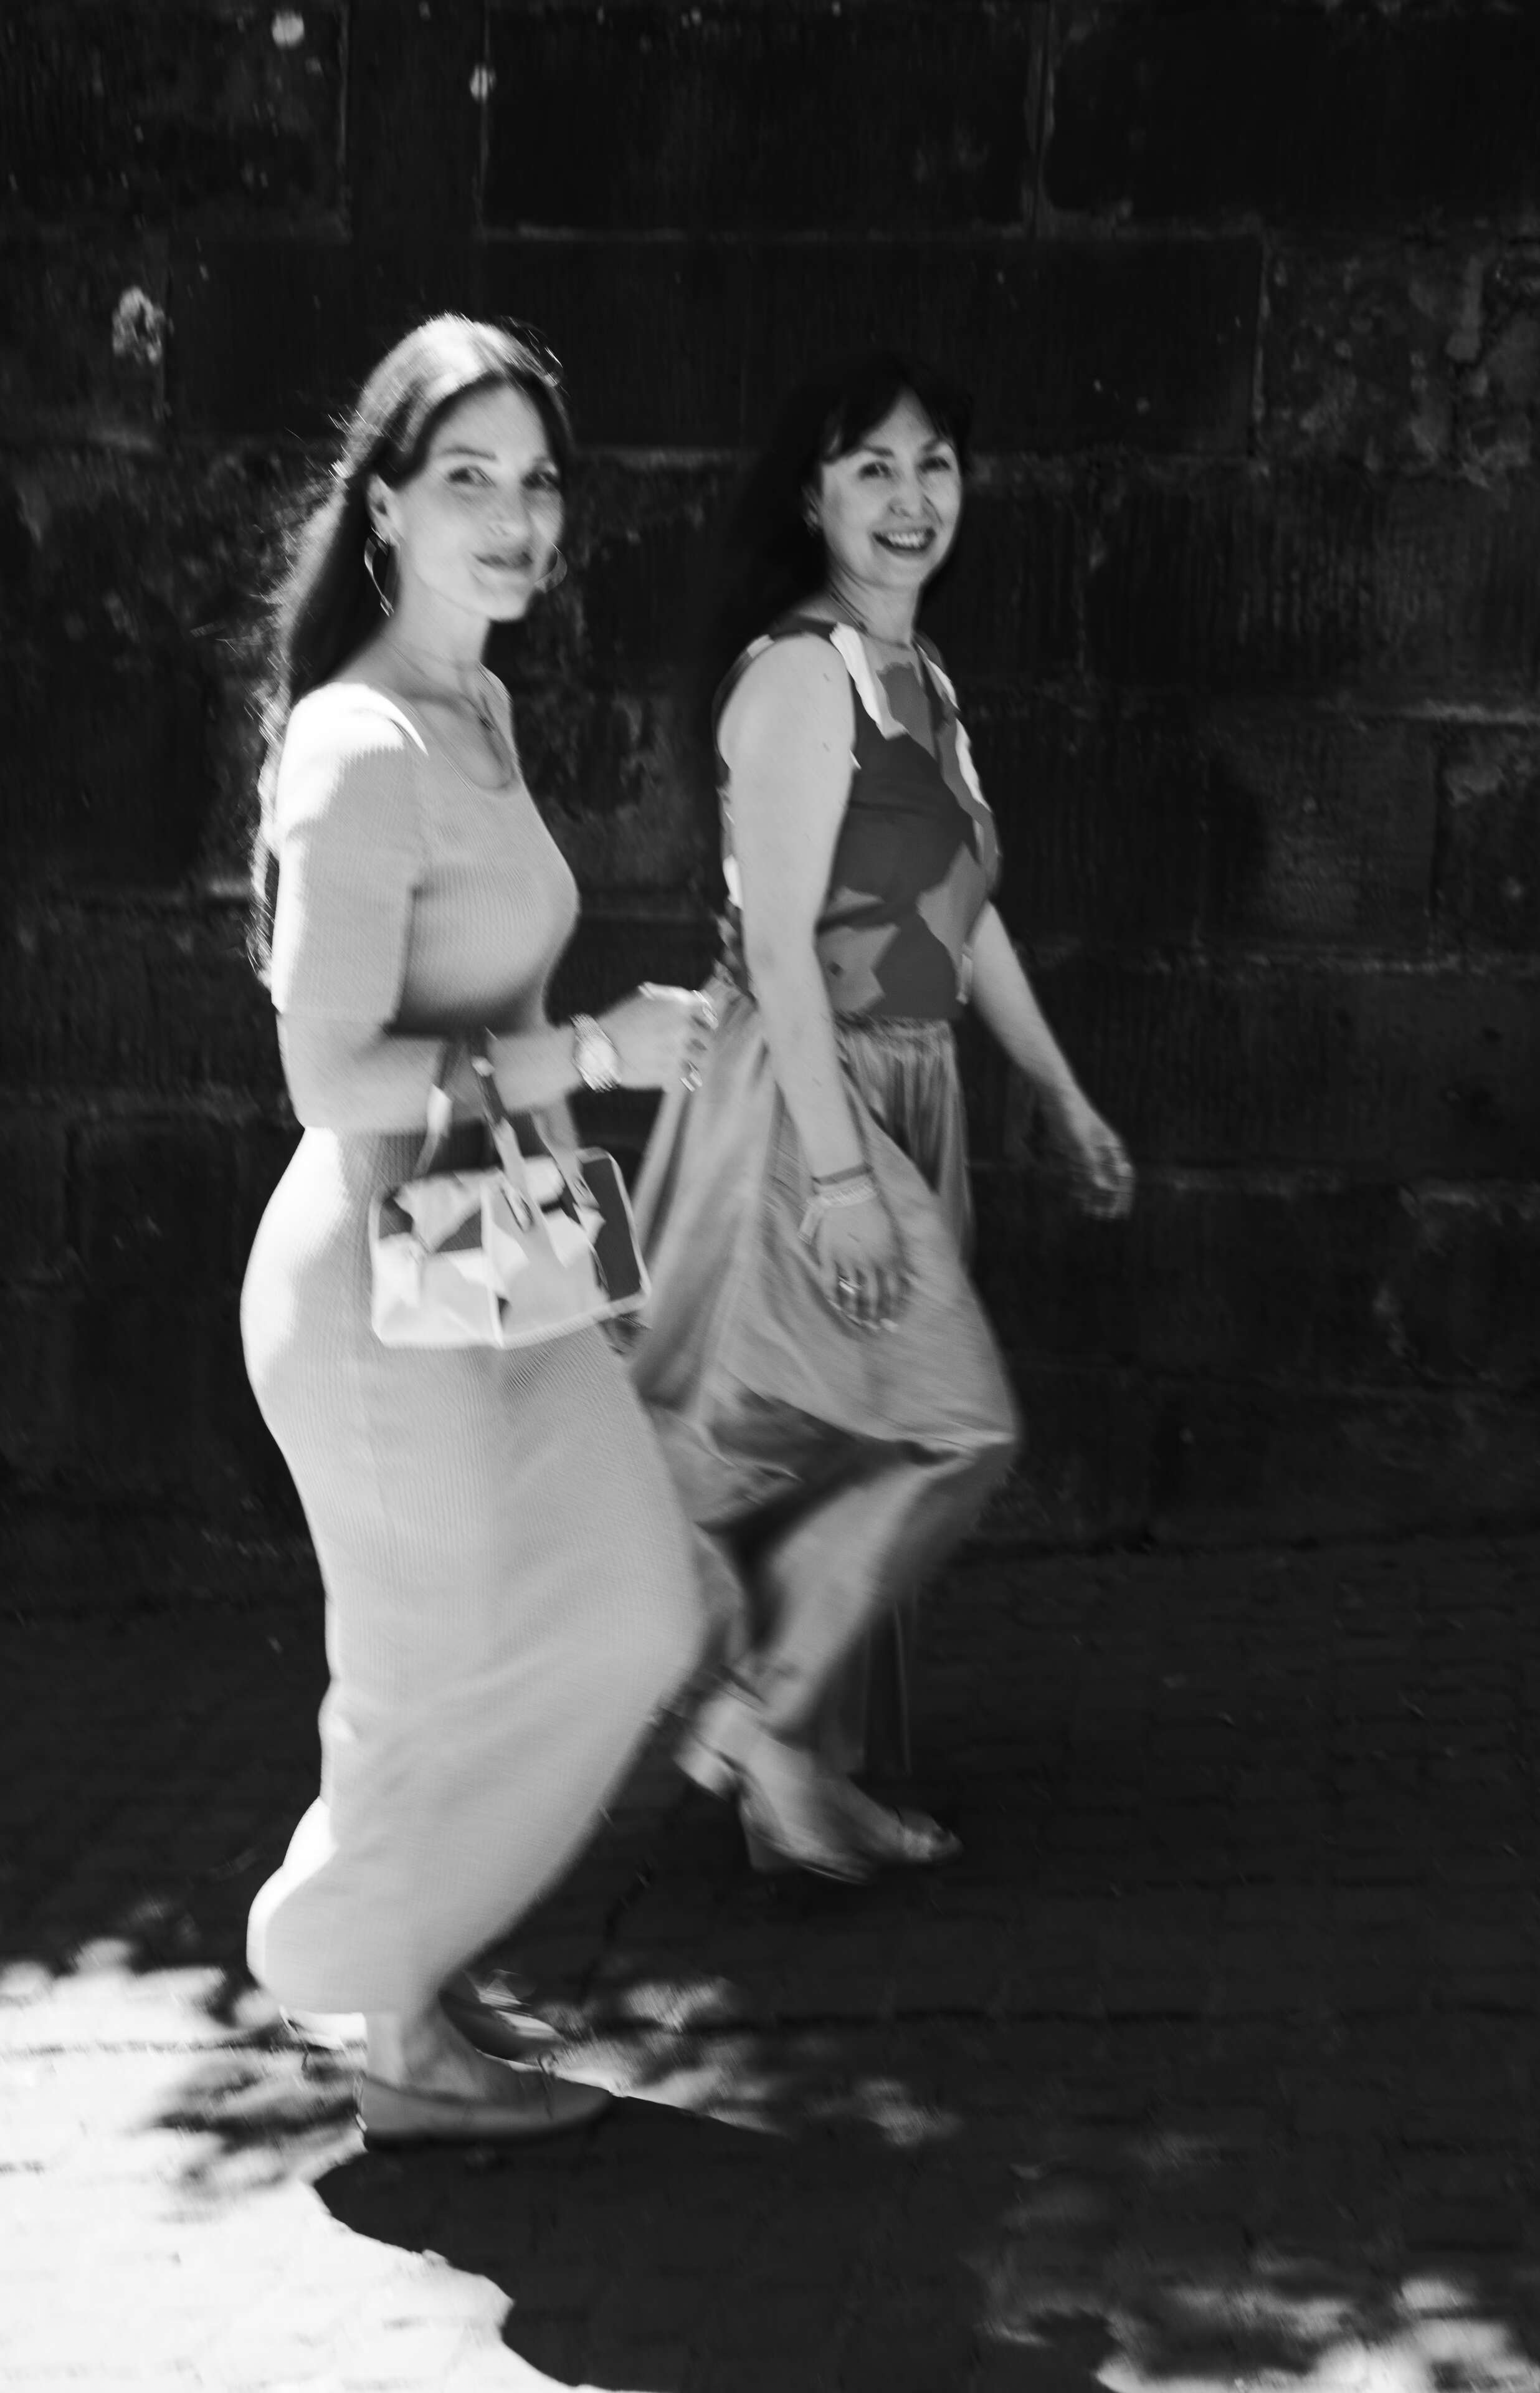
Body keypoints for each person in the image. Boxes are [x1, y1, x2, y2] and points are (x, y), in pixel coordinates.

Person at [240, 316, 708, 2146]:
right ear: (383, 509)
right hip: (372, 1275)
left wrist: (576, 1083)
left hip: (496, 1228)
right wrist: (595, 1046)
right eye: (469, 481)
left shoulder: (480, 708)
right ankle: (387, 2020)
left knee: (631, 1605)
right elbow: (331, 1079)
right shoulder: (358, 748)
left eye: (538, 482)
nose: (516, 521)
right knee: (425, 1668)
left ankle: (384, 1941)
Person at [631, 353, 1134, 1881]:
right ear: (812, 495)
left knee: (851, 1441)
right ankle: (757, 1719)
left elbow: (959, 916)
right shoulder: (799, 674)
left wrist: (1056, 1091)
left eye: (933, 466)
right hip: (806, 1097)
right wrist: (841, 1180)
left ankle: (807, 1791)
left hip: (908, 1087)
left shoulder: (918, 677)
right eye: (871, 468)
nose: (910, 500)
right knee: (946, 1422)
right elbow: (776, 945)